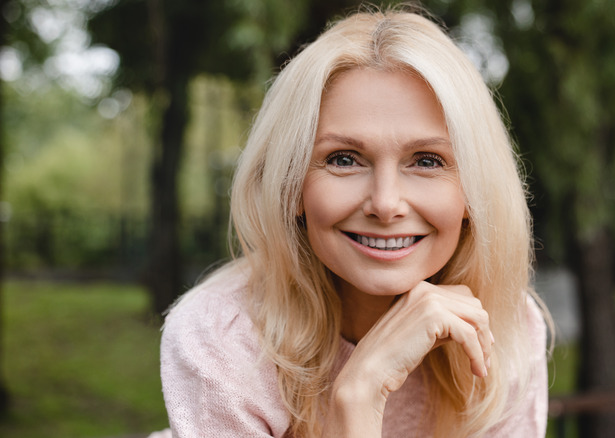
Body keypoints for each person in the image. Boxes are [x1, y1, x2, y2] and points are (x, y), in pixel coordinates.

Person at [159, 6, 552, 437]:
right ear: (292, 188)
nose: (385, 204)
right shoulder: (222, 337)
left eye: (426, 160)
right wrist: (361, 393)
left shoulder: (507, 325)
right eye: (343, 159)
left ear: (474, 194)